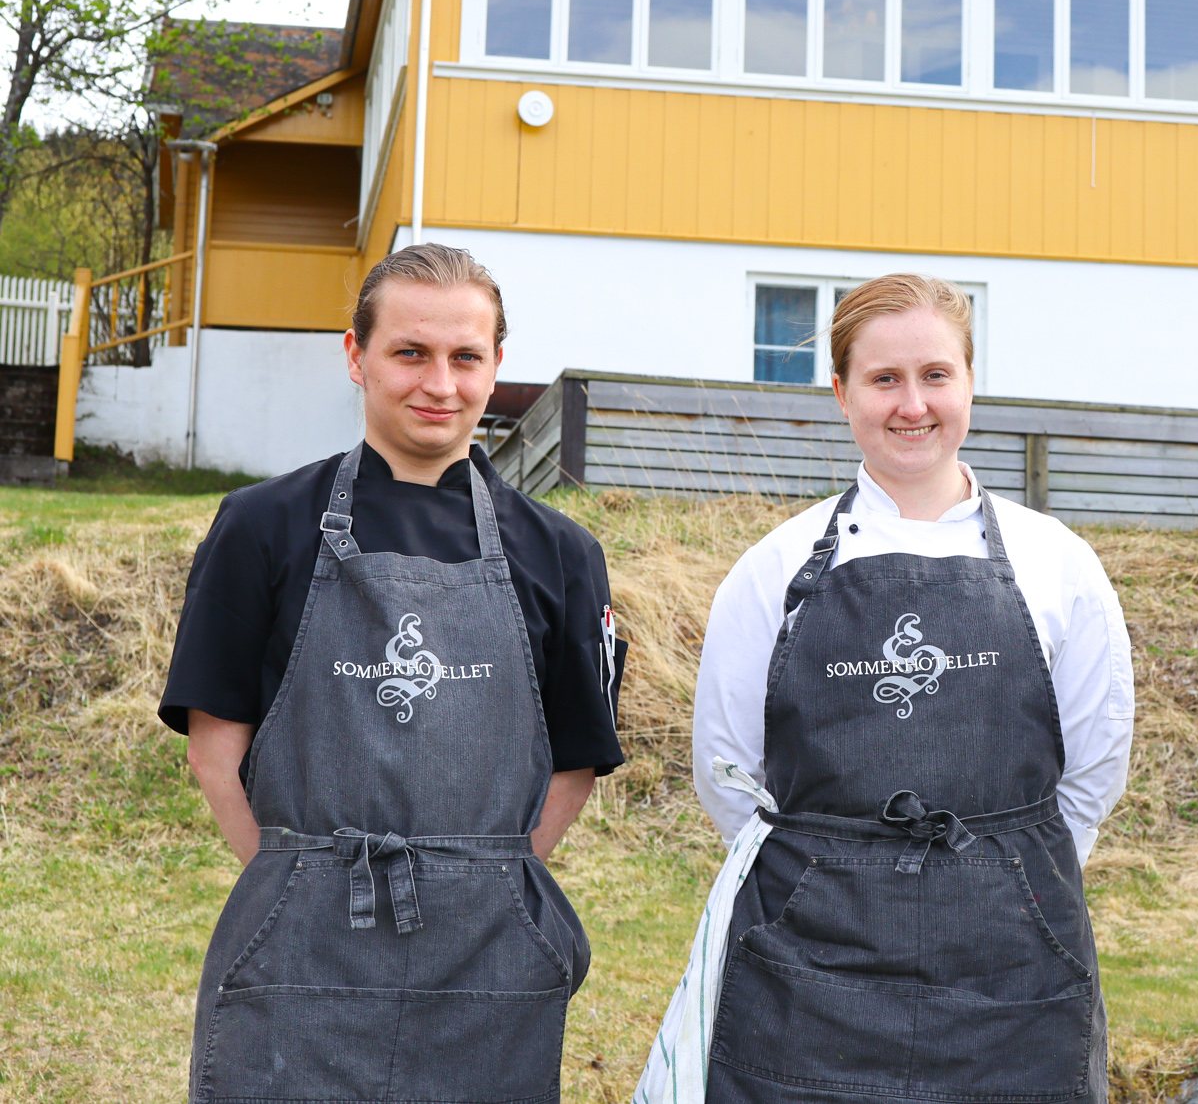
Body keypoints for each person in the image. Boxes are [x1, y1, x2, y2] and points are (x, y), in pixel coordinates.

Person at [636, 272, 1134, 1104]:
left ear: (969, 381)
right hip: (808, 971)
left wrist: (1004, 877)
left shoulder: (1059, 566)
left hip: (1012, 969)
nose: (913, 404)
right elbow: (729, 774)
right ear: (841, 393)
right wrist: (831, 875)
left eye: (936, 374)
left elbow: (1093, 770)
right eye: (884, 378)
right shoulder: (772, 569)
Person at [159, 243, 627, 1104]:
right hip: (300, 942)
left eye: (465, 357)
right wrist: (298, 882)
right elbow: (214, 749)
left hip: (487, 950)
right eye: (410, 352)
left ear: (496, 366)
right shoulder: (260, 526)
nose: (438, 383)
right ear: (357, 355)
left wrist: (485, 881)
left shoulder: (562, 554)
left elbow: (575, 763)